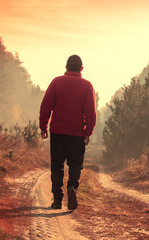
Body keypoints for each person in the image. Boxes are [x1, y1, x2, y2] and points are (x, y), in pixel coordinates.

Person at [39, 55, 96, 210]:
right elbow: (90, 112)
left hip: (58, 132)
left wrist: (43, 126)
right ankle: (72, 187)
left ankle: (57, 200)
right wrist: (88, 132)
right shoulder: (87, 86)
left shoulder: (56, 82)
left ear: (66, 67)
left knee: (57, 166)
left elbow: (46, 106)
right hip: (77, 134)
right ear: (81, 69)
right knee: (75, 165)